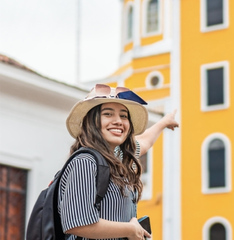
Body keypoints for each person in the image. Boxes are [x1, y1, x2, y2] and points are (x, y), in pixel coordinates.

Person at [60, 84, 179, 240]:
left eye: (124, 116)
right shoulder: (85, 161)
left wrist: (164, 122)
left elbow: (144, 142)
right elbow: (77, 223)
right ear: (91, 121)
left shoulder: (117, 158)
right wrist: (130, 230)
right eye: (108, 114)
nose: (118, 121)